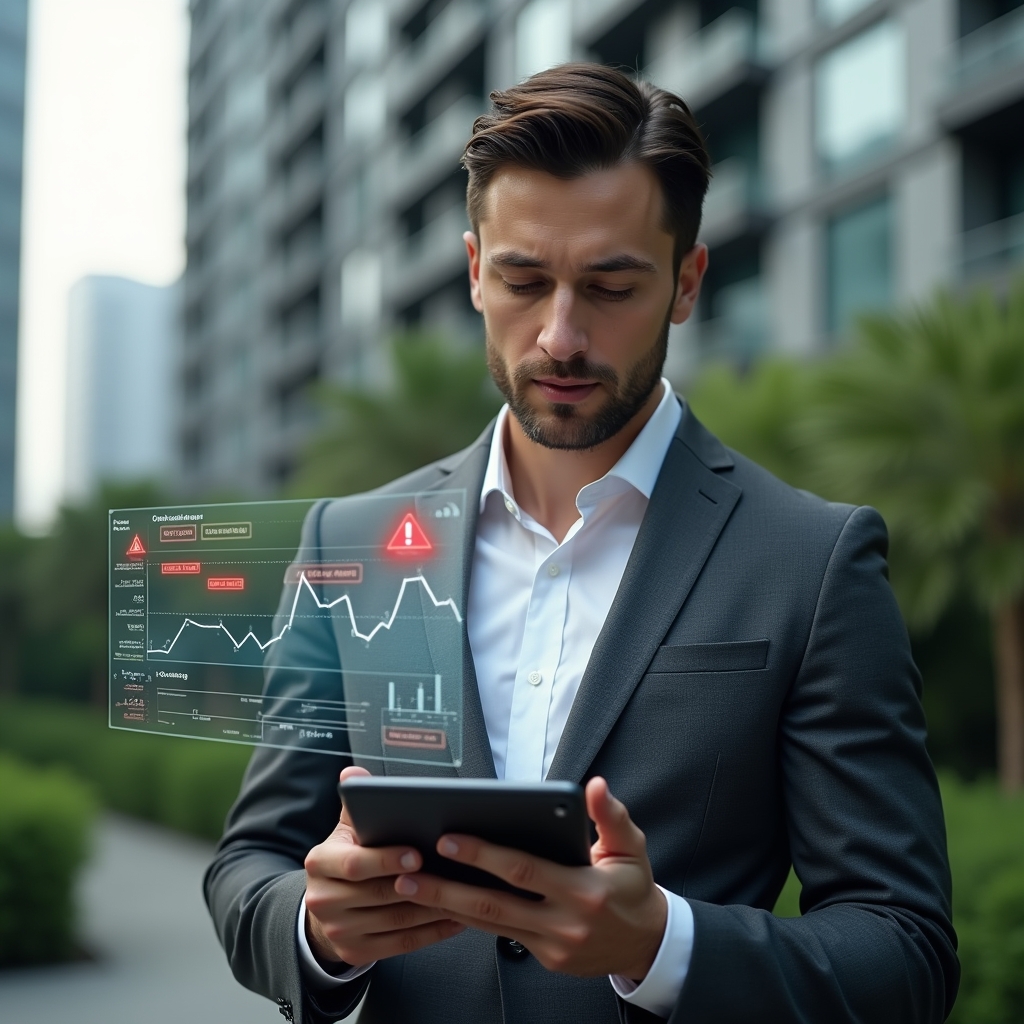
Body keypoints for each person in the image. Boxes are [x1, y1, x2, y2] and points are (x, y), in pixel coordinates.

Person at [204, 64, 958, 1024]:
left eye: (611, 285)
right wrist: (319, 929)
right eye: (524, 279)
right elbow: (247, 866)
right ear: (475, 271)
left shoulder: (813, 562)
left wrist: (661, 946)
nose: (561, 335)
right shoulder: (346, 542)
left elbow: (906, 949)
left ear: (687, 283)